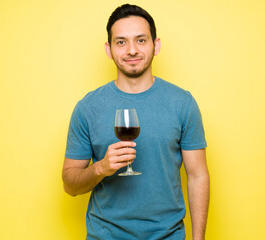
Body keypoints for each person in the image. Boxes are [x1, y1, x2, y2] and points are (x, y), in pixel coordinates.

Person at [62, 4, 209, 240]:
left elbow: (197, 175)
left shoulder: (182, 102)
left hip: (168, 235)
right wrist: (101, 167)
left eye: (141, 40)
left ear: (156, 45)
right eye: (121, 42)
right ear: (109, 50)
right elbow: (70, 185)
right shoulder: (87, 108)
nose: (132, 50)